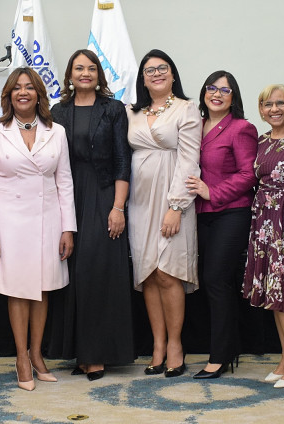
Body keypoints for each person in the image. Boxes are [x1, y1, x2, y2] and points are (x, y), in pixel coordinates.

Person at [0, 67, 77, 391]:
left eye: (29, 87)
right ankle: (21, 357)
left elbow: (64, 182)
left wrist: (68, 228)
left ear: (38, 94)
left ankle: (37, 355)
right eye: (17, 88)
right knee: (18, 289)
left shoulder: (56, 131)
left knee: (43, 287)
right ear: (8, 95)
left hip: (48, 218)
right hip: (9, 220)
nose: (23, 92)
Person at [47, 49, 135, 381]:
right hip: (67, 195)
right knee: (74, 274)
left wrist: (117, 207)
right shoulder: (57, 111)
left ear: (99, 74)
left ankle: (98, 353)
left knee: (98, 273)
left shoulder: (112, 110)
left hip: (102, 196)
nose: (85, 73)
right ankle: (80, 352)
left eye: (91, 68)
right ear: (69, 75)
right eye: (79, 68)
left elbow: (122, 161)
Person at [127, 49, 201, 377]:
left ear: (172, 75)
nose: (156, 73)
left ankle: (175, 344)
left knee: (168, 272)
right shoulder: (132, 112)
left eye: (162, 68)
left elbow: (189, 160)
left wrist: (176, 206)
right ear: (142, 79)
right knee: (148, 273)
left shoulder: (187, 109)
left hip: (174, 198)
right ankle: (157, 344)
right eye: (149, 70)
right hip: (140, 202)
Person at [185, 71, 257, 379]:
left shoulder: (242, 128)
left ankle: (221, 355)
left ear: (233, 96)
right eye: (212, 88)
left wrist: (212, 192)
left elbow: (248, 174)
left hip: (231, 212)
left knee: (216, 280)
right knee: (210, 282)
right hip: (200, 215)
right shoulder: (195, 126)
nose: (217, 93)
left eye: (224, 90)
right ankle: (227, 348)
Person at [241, 84, 284, 388]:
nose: (274, 109)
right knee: (273, 293)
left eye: (280, 103)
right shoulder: (260, 141)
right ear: (261, 109)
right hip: (264, 223)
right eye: (268, 104)